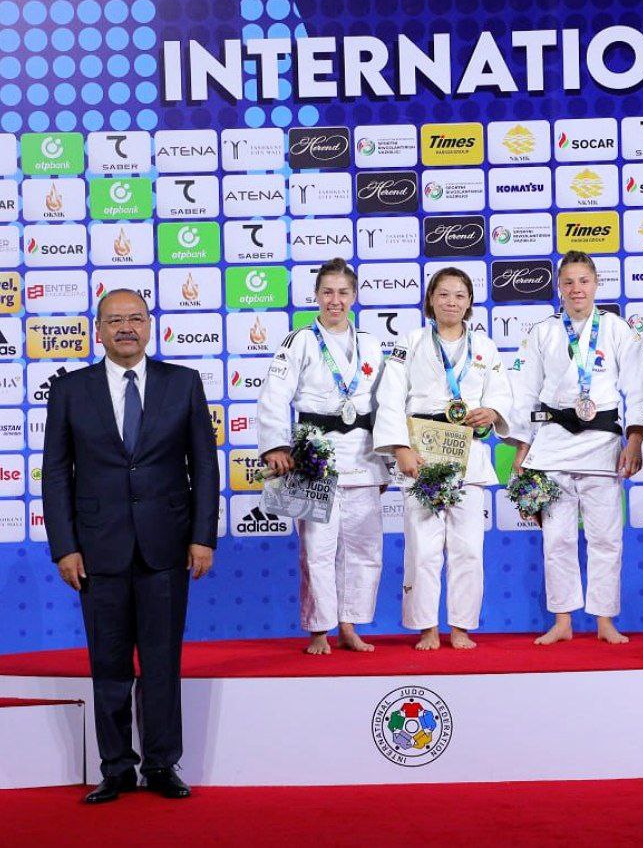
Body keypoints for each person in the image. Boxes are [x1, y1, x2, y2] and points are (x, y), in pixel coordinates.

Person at [43, 289, 218, 803]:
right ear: (97, 330)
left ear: (149, 326)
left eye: (135, 318)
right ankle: (116, 767)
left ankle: (162, 764)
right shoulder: (70, 390)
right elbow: (56, 473)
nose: (126, 327)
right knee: (109, 664)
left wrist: (202, 537)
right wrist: (64, 547)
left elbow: (204, 465)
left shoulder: (182, 383)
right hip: (97, 549)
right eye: (115, 320)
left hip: (167, 546)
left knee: (163, 663)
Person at [506, 251, 643, 645]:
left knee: (606, 538)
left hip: (603, 445)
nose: (576, 289)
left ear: (596, 284)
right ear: (559, 287)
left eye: (583, 281)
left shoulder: (617, 330)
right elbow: (525, 393)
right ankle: (563, 620)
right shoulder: (543, 332)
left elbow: (639, 388)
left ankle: (604, 621)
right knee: (557, 539)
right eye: (568, 282)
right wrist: (521, 453)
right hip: (552, 445)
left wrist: (635, 439)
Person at [374, 267, 513, 650]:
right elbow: (390, 397)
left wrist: (492, 412)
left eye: (460, 295)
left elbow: (502, 393)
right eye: (444, 294)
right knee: (423, 548)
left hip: (469, 455)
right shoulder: (411, 342)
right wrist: (400, 448)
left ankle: (462, 626)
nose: (451, 302)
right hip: (422, 454)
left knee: (468, 548)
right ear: (431, 300)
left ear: (469, 303)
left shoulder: (484, 347)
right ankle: (427, 628)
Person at [257, 257, 390, 655]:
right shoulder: (298, 341)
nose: (335, 300)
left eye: (343, 292)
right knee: (317, 549)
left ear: (354, 296)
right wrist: (276, 446)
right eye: (328, 292)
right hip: (315, 457)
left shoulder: (370, 343)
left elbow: (385, 405)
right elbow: (274, 396)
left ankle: (349, 625)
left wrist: (387, 460)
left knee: (364, 548)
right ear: (315, 295)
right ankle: (319, 629)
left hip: (364, 456)